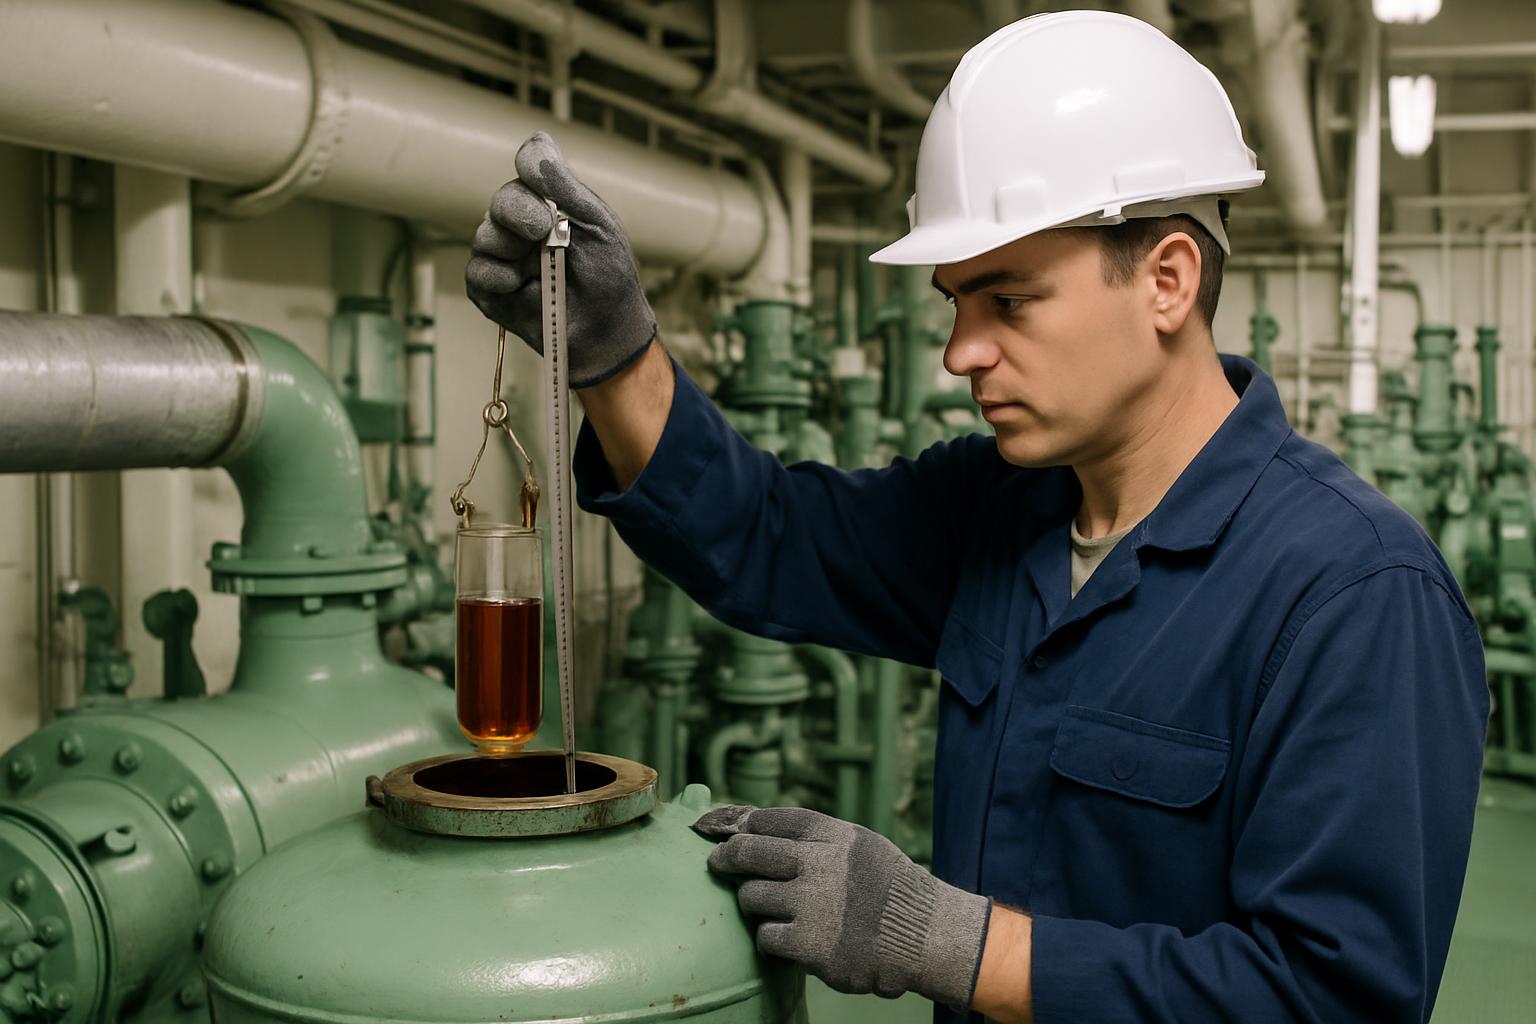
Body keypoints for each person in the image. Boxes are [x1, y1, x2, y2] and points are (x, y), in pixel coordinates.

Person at [465, 11, 1488, 1022]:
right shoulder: (996, 509)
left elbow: (1334, 998)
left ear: (1168, 280)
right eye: (956, 303)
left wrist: (954, 943)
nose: (961, 351)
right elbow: (768, 535)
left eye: (1009, 301)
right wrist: (614, 359)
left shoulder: (1355, 594)